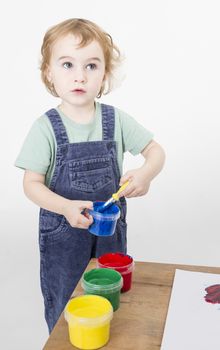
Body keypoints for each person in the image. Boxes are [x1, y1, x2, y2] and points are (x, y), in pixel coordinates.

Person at [15, 18, 165, 333]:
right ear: (49, 74)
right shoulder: (46, 129)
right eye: (67, 64)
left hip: (110, 235)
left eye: (92, 66)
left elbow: (155, 151)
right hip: (63, 237)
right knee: (67, 304)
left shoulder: (116, 120)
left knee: (112, 295)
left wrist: (144, 174)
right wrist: (65, 207)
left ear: (105, 76)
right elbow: (31, 184)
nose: (80, 76)